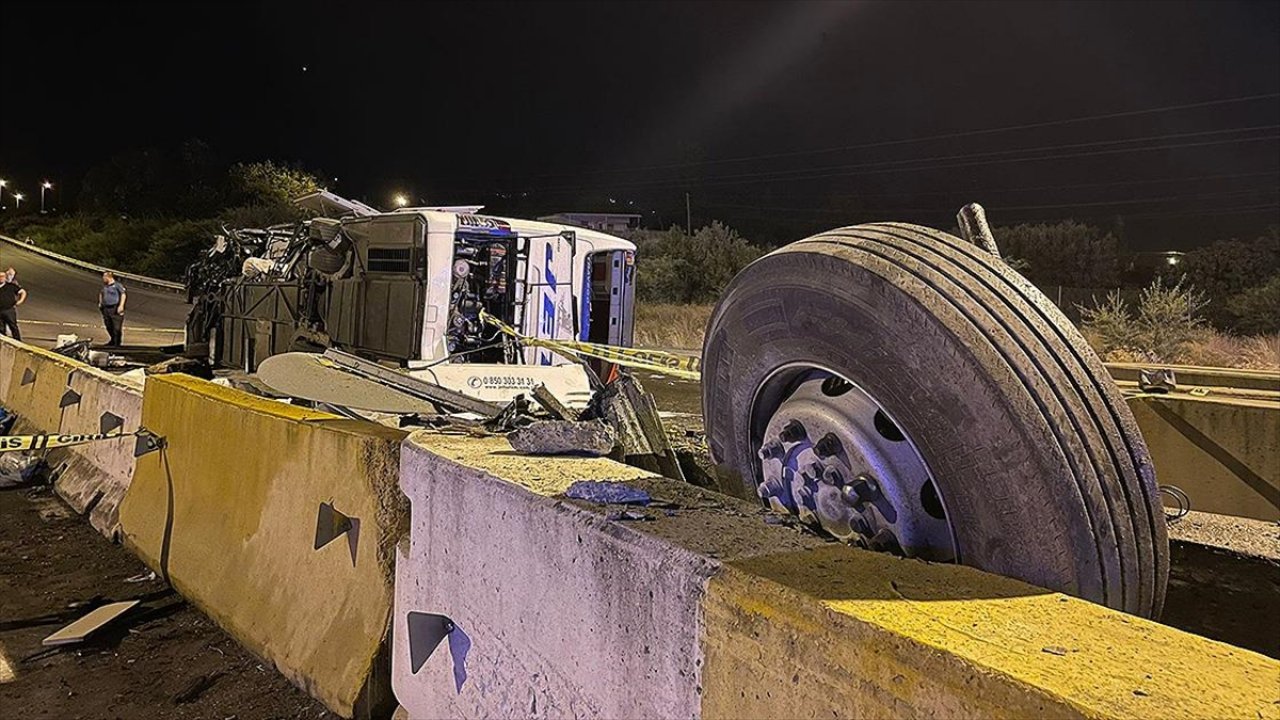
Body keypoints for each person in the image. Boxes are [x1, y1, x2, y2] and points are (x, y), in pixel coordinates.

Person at [99, 271, 127, 346]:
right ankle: (112, 340)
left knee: (116, 328)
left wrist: (121, 306)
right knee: (108, 326)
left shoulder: (117, 285)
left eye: (104, 277)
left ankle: (117, 343)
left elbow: (123, 295)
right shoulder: (105, 286)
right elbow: (101, 293)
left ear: (108, 277)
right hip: (106, 308)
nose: (103, 279)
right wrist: (101, 303)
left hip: (115, 308)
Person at [0, 267, 27, 341]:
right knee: (1, 329)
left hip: (9, 310)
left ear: (5, 278)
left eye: (2, 277)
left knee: (13, 326)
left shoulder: (11, 286)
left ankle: (18, 342)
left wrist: (20, 301)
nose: (1, 278)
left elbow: (23, 292)